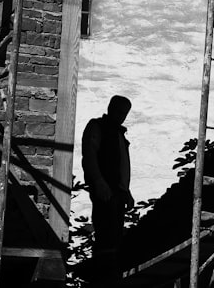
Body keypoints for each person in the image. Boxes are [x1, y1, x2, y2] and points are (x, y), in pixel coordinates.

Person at [82, 95, 134, 285]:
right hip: (105, 190)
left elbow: (121, 166)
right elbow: (89, 155)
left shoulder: (119, 133)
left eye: (124, 113)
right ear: (110, 108)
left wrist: (126, 191)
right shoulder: (97, 126)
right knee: (106, 233)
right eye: (119, 111)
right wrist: (99, 182)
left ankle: (110, 273)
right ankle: (103, 275)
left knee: (115, 236)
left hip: (118, 192)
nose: (121, 116)